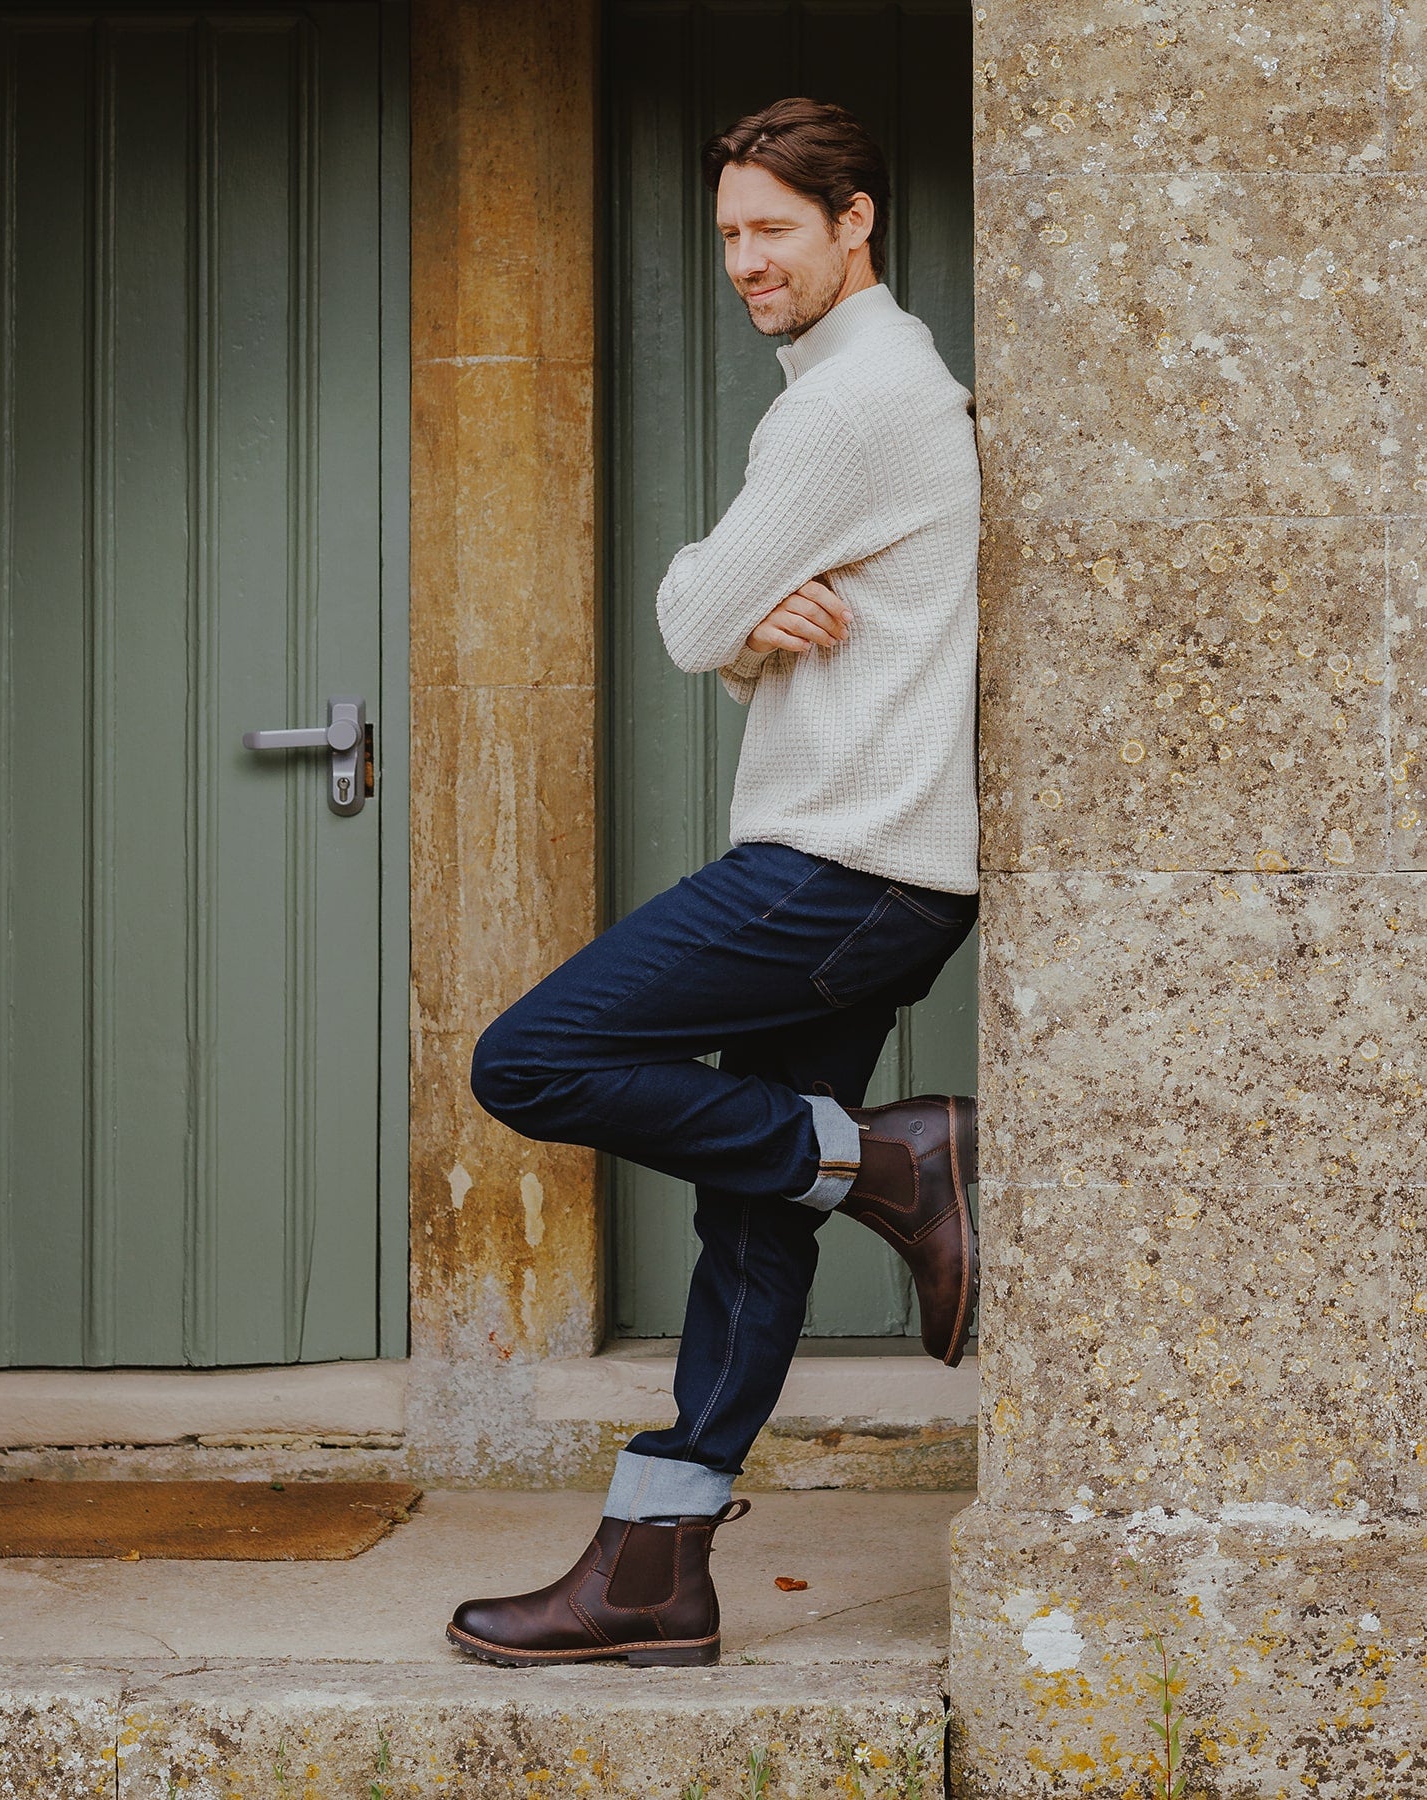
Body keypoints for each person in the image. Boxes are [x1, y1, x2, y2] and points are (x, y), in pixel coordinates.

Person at [446, 96, 981, 1670]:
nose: (747, 261)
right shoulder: (889, 383)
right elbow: (749, 639)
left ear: (855, 223)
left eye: (777, 231)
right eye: (732, 233)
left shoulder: (846, 406)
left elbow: (684, 614)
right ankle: (652, 1573)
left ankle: (893, 1163)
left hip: (835, 865)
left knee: (528, 1057)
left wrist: (731, 617)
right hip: (888, 867)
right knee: (762, 1213)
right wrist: (764, 629)